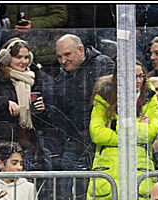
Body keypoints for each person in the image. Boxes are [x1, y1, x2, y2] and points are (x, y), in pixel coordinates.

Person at [87, 64, 158, 200]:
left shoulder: (150, 97)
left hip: (139, 167)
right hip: (108, 170)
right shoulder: (103, 97)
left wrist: (115, 125)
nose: (138, 80)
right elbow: (97, 133)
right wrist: (138, 126)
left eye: (141, 76)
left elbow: (151, 132)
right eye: (133, 76)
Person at [0, 38, 48, 168]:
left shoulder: (34, 80)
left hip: (27, 145)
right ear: (6, 58)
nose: (23, 61)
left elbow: (40, 123)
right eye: (18, 57)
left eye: (26, 57)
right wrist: (4, 102)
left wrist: (40, 111)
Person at [48, 34, 115, 178]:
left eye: (67, 54)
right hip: (75, 142)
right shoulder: (60, 79)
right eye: (59, 57)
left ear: (81, 50)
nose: (63, 61)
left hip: (102, 140)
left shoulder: (102, 65)